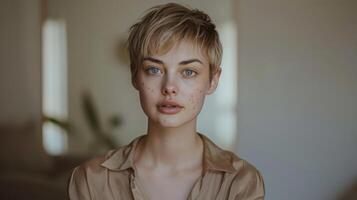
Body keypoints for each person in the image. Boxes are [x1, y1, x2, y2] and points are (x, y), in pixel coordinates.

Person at [68, 3, 265, 200]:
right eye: (154, 69)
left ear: (213, 80)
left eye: (188, 72)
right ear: (135, 75)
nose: (169, 87)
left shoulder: (241, 182)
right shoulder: (91, 180)